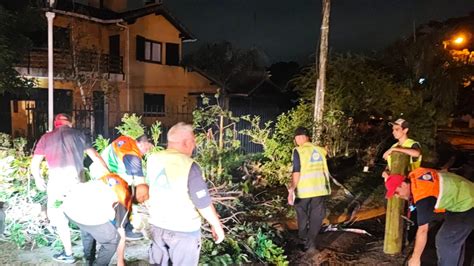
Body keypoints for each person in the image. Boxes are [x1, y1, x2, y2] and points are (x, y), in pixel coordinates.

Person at [30, 113, 109, 263]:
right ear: (70, 123)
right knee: (84, 218)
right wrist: (108, 175)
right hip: (78, 184)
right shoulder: (79, 135)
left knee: (59, 219)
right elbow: (96, 158)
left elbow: (35, 163)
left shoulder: (46, 138)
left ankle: (68, 254)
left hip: (56, 185)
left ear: (55, 124)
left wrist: (38, 179)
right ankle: (89, 256)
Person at [146, 122, 225, 265]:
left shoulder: (153, 159)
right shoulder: (189, 165)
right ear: (187, 142)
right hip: (183, 232)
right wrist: (216, 225)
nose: (194, 145)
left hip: (156, 227)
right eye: (193, 141)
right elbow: (202, 202)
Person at [385, 168, 474, 266]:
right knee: (453, 239)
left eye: (396, 192)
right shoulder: (415, 175)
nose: (397, 196)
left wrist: (415, 259)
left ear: (404, 184)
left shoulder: (423, 195)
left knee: (445, 240)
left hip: (468, 203)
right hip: (462, 195)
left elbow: (423, 230)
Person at [62, 173, 149, 266]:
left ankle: (89, 261)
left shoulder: (117, 179)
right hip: (84, 213)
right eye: (144, 200)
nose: (143, 202)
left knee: (88, 230)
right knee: (113, 240)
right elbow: (121, 234)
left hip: (69, 206)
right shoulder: (124, 198)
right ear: (140, 196)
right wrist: (120, 262)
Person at [91, 134, 152, 240]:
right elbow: (140, 184)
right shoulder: (132, 155)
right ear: (141, 143)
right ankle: (124, 229)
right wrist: (148, 204)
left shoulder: (126, 140)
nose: (146, 151)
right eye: (147, 148)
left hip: (99, 172)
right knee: (125, 196)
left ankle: (113, 229)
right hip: (106, 177)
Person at [287, 126, 331, 252]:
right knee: (317, 216)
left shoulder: (298, 151)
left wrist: (291, 189)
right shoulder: (320, 150)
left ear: (297, 138)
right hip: (320, 189)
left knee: (302, 214)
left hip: (304, 190)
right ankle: (311, 243)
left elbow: (296, 171)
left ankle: (303, 238)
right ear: (308, 137)